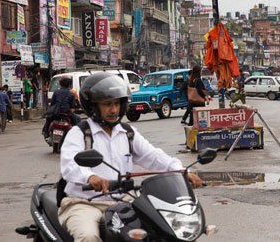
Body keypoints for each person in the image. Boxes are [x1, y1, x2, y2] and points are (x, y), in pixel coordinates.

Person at [59, 72, 203, 242]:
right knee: (88, 237)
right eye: (107, 104)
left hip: (123, 202)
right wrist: (90, 177)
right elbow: (70, 164)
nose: (113, 110)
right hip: (84, 203)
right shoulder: (80, 133)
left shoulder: (127, 133)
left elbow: (153, 156)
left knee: (157, 229)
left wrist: (181, 171)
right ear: (93, 106)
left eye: (116, 104)